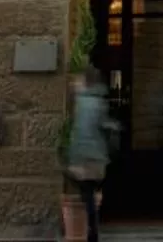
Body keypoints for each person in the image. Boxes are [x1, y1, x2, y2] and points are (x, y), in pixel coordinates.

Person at [66, 66, 114, 240]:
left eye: (78, 80)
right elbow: (103, 125)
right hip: (98, 155)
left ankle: (91, 230)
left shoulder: (83, 103)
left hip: (86, 155)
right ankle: (92, 227)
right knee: (91, 192)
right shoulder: (99, 100)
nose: (75, 83)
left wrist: (75, 156)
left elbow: (82, 131)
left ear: (85, 82)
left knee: (86, 193)